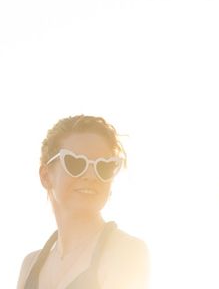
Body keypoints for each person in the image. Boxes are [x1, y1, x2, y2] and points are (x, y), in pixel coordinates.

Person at [16, 115, 149, 289]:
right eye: (76, 163)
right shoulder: (30, 265)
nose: (91, 176)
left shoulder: (126, 251)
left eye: (104, 166)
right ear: (46, 176)